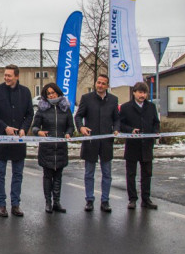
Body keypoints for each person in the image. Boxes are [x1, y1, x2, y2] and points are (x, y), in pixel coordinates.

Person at [0, 64, 34, 217]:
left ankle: (15, 204)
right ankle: (1, 205)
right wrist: (4, 127)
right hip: (1, 139)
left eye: (9, 75)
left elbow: (29, 114)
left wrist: (23, 129)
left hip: (18, 142)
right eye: (5, 75)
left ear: (17, 76)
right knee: (0, 174)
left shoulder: (25, 92)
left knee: (18, 174)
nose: (6, 78)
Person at [75, 74, 120, 213]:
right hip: (91, 141)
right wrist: (81, 127)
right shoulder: (86, 98)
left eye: (103, 83)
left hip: (106, 142)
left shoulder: (113, 100)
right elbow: (78, 116)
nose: (100, 85)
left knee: (107, 173)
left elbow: (117, 119)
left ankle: (105, 201)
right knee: (89, 173)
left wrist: (117, 129)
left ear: (107, 86)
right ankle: (89, 199)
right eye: (98, 83)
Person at [31, 83, 74, 214]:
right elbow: (34, 127)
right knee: (47, 176)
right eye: (48, 93)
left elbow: (71, 126)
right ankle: (48, 202)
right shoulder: (42, 109)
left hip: (61, 148)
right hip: (47, 148)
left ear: (58, 92)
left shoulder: (65, 109)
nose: (51, 95)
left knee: (58, 176)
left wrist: (68, 133)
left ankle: (57, 202)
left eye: (53, 92)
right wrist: (39, 132)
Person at [119, 81, 160, 210]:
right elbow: (120, 124)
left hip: (147, 146)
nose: (142, 95)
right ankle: (132, 199)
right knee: (131, 174)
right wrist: (130, 130)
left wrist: (155, 132)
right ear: (134, 93)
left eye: (144, 93)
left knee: (147, 174)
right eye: (140, 92)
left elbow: (156, 123)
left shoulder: (151, 107)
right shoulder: (126, 107)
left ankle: (146, 199)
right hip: (132, 145)